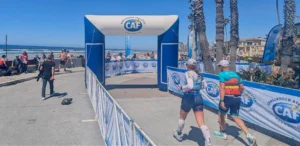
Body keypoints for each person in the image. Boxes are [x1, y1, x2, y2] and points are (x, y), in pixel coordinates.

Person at [214, 60, 256, 146]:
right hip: (236, 98)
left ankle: (223, 132)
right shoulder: (235, 74)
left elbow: (222, 88)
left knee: (221, 114)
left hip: (227, 98)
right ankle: (248, 135)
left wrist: (222, 101)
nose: (219, 68)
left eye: (219, 66)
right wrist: (237, 94)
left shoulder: (222, 74)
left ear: (222, 66)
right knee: (235, 116)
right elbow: (242, 87)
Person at [174, 59, 212, 146]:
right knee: (201, 122)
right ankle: (208, 142)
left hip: (188, 97)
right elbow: (205, 86)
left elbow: (190, 85)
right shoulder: (199, 75)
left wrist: (182, 87)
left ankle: (179, 134)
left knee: (182, 117)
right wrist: (196, 88)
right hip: (198, 97)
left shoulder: (188, 73)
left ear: (188, 65)